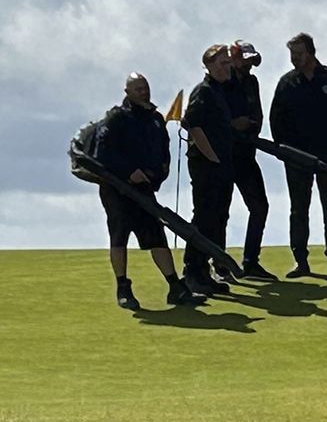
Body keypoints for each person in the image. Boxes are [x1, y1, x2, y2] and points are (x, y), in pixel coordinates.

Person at [94, 72, 202, 309]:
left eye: (145, 87)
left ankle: (175, 287)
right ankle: (123, 287)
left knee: (156, 236)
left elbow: (164, 152)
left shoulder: (154, 119)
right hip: (117, 189)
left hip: (144, 190)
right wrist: (128, 171)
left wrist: (157, 175)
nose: (144, 92)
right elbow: (103, 154)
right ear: (128, 93)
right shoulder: (115, 119)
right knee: (119, 237)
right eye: (138, 89)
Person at [269, 32, 327, 278]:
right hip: (296, 156)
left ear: (311, 52)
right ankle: (300, 261)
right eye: (292, 54)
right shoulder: (287, 83)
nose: (294, 59)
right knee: (298, 208)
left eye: (299, 53)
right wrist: (282, 149)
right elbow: (277, 118)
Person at [181, 45, 238, 296]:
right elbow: (193, 126)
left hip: (222, 165)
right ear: (211, 66)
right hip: (207, 168)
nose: (228, 67)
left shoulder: (219, 91)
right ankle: (193, 272)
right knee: (204, 219)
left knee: (217, 219)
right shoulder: (203, 92)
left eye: (228, 63)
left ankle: (204, 273)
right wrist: (213, 159)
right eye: (223, 63)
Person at [222, 40, 273, 281]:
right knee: (220, 212)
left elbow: (258, 115)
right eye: (245, 60)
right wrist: (233, 126)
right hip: (222, 157)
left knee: (260, 206)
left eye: (251, 61)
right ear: (234, 58)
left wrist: (250, 127)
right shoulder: (222, 82)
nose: (249, 66)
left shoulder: (252, 82)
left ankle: (251, 262)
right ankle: (219, 264)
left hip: (246, 155)